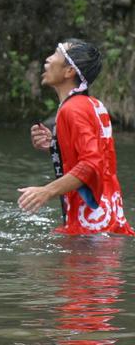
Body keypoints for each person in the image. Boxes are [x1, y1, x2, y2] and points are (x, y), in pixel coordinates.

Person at [19, 39, 133, 235]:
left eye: (56, 54)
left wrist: (47, 191)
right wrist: (56, 145)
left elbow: (91, 163)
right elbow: (99, 157)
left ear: (69, 71)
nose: (48, 59)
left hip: (91, 228)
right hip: (106, 220)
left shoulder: (72, 109)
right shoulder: (92, 104)